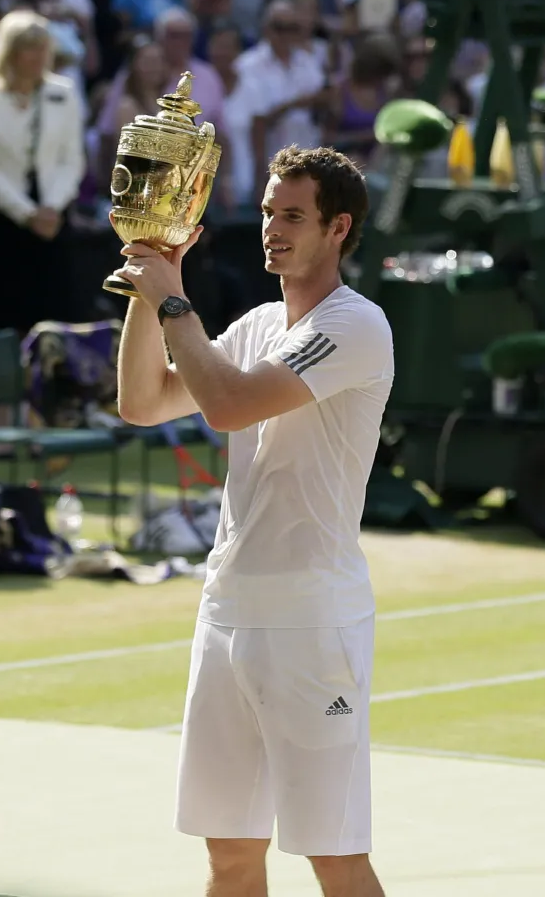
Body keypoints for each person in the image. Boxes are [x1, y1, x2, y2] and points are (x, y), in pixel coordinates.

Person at [114, 146, 394, 895]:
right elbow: (143, 403)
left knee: (332, 854)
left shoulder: (356, 325)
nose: (272, 228)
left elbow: (230, 403)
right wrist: (148, 285)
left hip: (311, 624)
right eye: (269, 212)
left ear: (338, 228)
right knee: (230, 855)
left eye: (293, 216)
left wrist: (175, 300)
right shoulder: (260, 323)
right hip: (228, 612)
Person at [0, 9, 85, 336]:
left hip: (53, 222)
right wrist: (26, 213)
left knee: (58, 311)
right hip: (3, 222)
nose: (37, 56)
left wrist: (52, 208)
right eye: (28, 47)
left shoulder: (63, 92)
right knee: (6, 312)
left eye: (42, 47)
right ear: (10, 52)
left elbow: (71, 158)